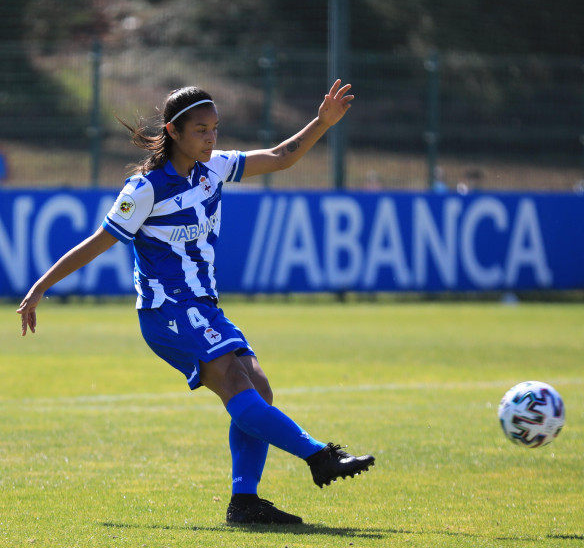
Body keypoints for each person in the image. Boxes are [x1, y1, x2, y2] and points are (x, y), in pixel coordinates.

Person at [17, 80, 375, 526]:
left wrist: (322, 122)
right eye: (201, 130)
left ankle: (244, 502)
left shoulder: (215, 168)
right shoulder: (145, 188)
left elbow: (283, 156)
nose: (211, 138)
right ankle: (319, 455)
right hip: (166, 311)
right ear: (174, 131)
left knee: (258, 387)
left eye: (215, 129)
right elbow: (98, 242)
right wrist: (40, 287)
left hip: (203, 307)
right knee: (233, 378)